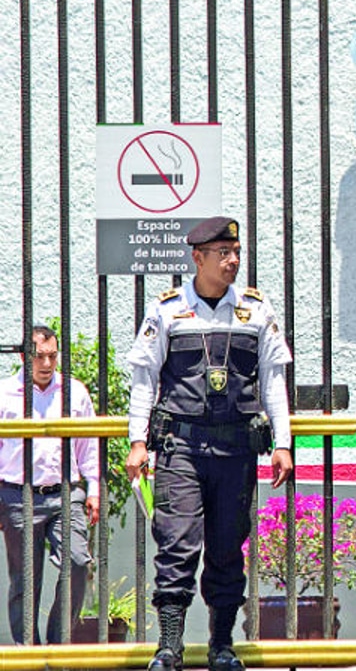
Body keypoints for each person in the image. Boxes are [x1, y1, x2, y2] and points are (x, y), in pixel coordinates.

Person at [124, 216, 293, 671]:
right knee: (176, 547)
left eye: (236, 253)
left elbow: (274, 381)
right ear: (197, 258)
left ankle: (222, 647)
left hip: (236, 451)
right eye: (223, 254)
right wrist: (137, 441)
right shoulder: (167, 310)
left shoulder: (256, 310)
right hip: (181, 450)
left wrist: (284, 442)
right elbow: (144, 380)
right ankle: (169, 648)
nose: (233, 261)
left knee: (226, 549)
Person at [0, 323, 101, 644]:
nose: (46, 364)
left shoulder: (75, 391)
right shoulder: (4, 393)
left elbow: (90, 446)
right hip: (17, 495)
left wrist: (95, 488)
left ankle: (58, 648)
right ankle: (28, 651)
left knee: (77, 562)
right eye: (38, 356)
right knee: (25, 581)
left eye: (52, 356)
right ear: (22, 355)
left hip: (66, 493)